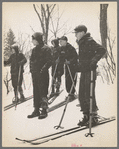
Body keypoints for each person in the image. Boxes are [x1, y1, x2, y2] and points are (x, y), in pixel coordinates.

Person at [73, 25, 106, 126]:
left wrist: (94, 61)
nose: (75, 35)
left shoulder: (89, 41)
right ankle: (86, 115)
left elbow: (102, 50)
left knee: (89, 93)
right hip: (84, 71)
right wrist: (78, 66)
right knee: (82, 94)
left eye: (77, 33)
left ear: (82, 32)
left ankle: (93, 116)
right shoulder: (82, 43)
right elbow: (84, 57)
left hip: (90, 71)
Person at [27, 32, 52, 119]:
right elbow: (31, 61)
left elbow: (49, 61)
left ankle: (44, 110)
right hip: (35, 74)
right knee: (36, 91)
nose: (32, 41)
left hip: (43, 74)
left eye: (33, 39)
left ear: (37, 39)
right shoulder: (34, 50)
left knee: (43, 91)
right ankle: (36, 109)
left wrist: (43, 69)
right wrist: (31, 70)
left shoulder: (46, 49)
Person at [59, 36, 78, 101]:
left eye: (61, 41)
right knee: (67, 79)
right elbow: (61, 56)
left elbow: (75, 57)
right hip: (66, 66)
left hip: (72, 66)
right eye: (59, 41)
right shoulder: (61, 48)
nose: (60, 43)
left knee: (71, 78)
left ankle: (72, 93)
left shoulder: (71, 48)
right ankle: (69, 92)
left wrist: (69, 61)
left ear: (65, 41)